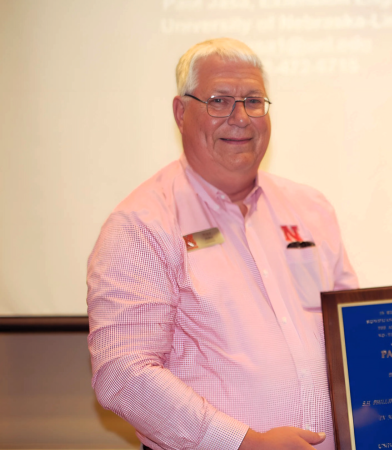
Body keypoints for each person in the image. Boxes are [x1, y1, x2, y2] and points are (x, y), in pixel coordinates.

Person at [87, 38, 358, 450]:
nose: (241, 118)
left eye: (253, 100)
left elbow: (350, 327)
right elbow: (124, 372)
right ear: (181, 112)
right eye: (219, 101)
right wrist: (242, 443)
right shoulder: (141, 225)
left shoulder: (310, 207)